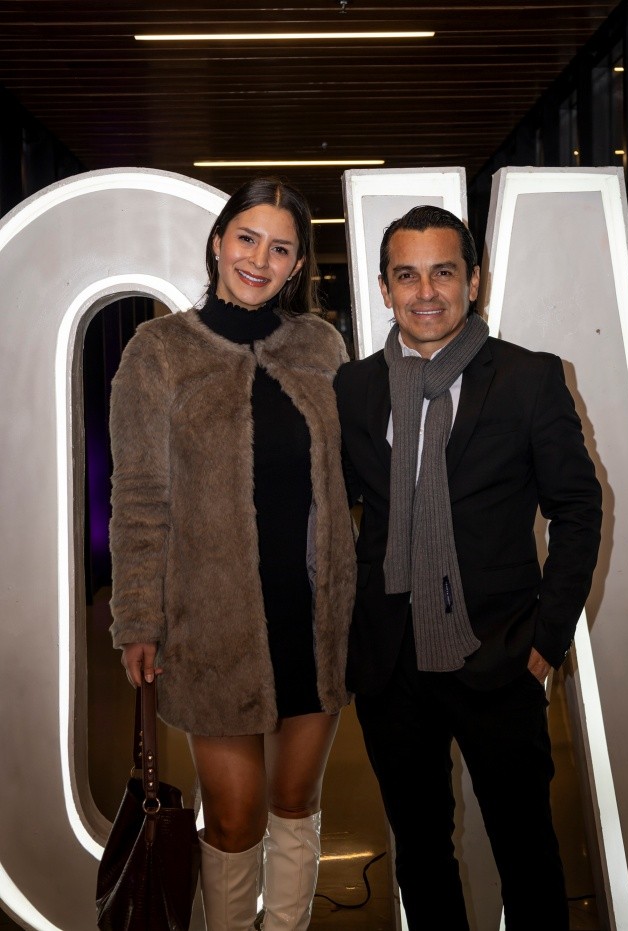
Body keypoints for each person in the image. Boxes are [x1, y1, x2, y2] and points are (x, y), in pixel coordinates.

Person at [334, 205, 602, 930]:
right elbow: (335, 514)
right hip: (391, 665)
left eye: (443, 273)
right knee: (421, 856)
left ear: (473, 281)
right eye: (407, 275)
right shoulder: (354, 389)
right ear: (384, 288)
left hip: (500, 654)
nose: (426, 292)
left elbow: (578, 508)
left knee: (528, 854)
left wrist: (547, 638)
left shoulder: (528, 378)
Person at [108, 177, 357, 931]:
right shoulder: (158, 353)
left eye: (280, 248)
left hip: (314, 619)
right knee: (233, 816)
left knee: (296, 801)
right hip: (211, 625)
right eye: (247, 238)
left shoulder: (321, 346)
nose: (259, 259)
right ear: (218, 242)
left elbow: (350, 477)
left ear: (297, 264)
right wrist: (137, 617)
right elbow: (140, 497)